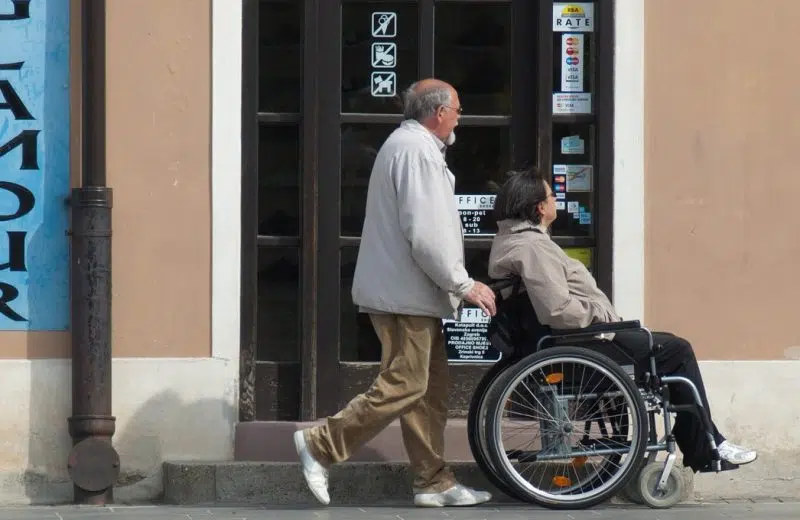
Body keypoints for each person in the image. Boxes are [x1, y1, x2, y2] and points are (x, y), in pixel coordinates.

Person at [293, 79, 497, 507]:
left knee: (428, 390)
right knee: (406, 384)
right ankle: (321, 444)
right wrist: (463, 283)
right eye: (457, 109)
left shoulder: (412, 148)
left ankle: (433, 482)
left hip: (410, 293)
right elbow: (426, 233)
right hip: (405, 295)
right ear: (438, 113)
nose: (460, 116)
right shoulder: (416, 151)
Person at [487, 168, 758, 473]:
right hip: (580, 343)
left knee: (664, 344)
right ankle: (706, 443)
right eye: (552, 195)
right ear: (539, 207)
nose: (556, 201)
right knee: (676, 351)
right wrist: (602, 316)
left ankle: (703, 438)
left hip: (573, 342)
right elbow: (558, 311)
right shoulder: (533, 248)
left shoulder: (514, 241)